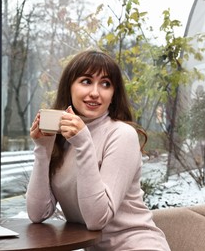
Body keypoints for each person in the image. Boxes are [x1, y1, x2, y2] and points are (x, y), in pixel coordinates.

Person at [26, 49, 170, 250]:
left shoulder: (122, 134)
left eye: (105, 84)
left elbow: (96, 219)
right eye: (86, 81)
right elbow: (37, 213)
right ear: (69, 87)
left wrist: (84, 144)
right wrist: (43, 150)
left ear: (113, 94)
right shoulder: (63, 138)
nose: (95, 92)